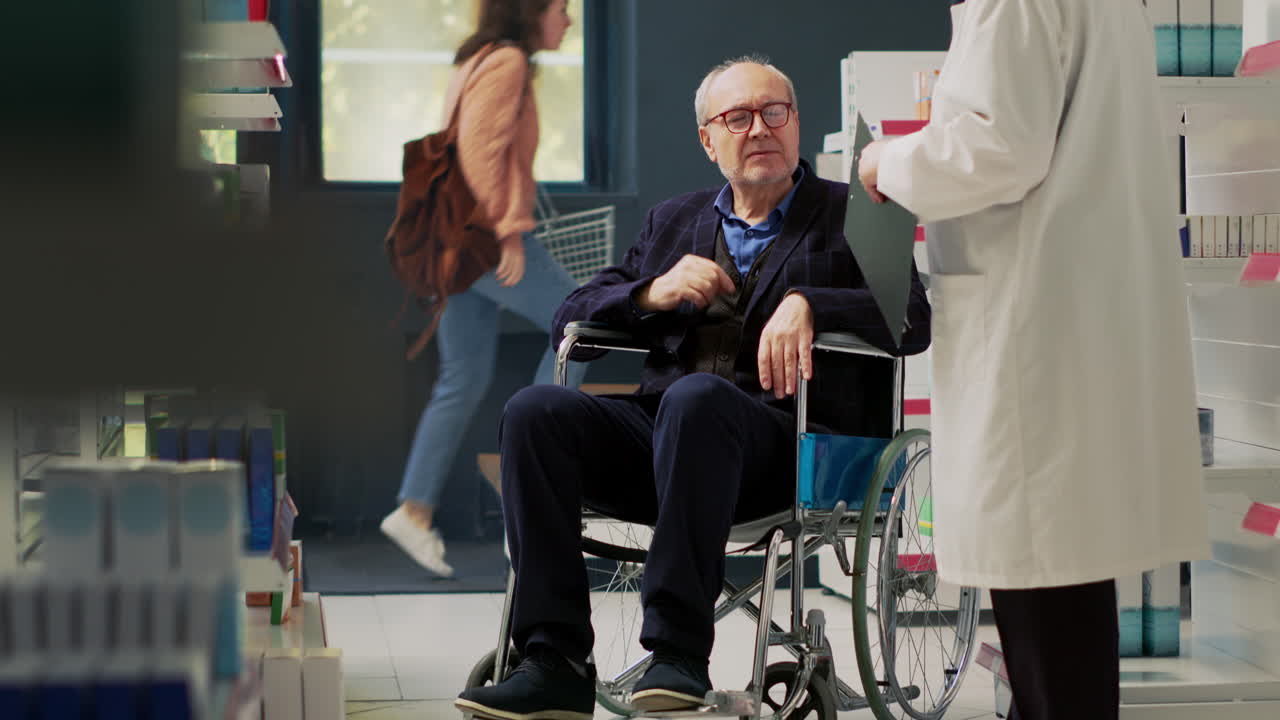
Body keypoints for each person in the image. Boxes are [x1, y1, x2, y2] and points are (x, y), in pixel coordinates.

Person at [455, 56, 931, 720]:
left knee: (697, 400)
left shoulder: (851, 211)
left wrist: (813, 302)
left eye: (775, 112)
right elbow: (573, 312)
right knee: (536, 410)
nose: (760, 128)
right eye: (738, 117)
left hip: (785, 451)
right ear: (709, 140)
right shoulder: (673, 221)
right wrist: (652, 291)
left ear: (797, 125)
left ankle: (678, 654)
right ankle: (552, 659)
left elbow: (912, 317)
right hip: (665, 444)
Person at [855, 1, 1210, 718]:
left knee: (1046, 580)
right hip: (1076, 314)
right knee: (1066, 585)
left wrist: (885, 161)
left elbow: (999, 149)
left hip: (1033, 331)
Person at [380, 0, 588, 578]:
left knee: (462, 377)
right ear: (531, 11)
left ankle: (414, 511)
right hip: (485, 241)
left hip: (455, 245)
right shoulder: (507, 62)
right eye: (561, 10)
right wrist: (510, 234)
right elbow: (477, 155)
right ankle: (531, 512)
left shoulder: (476, 59)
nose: (568, 21)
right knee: (580, 329)